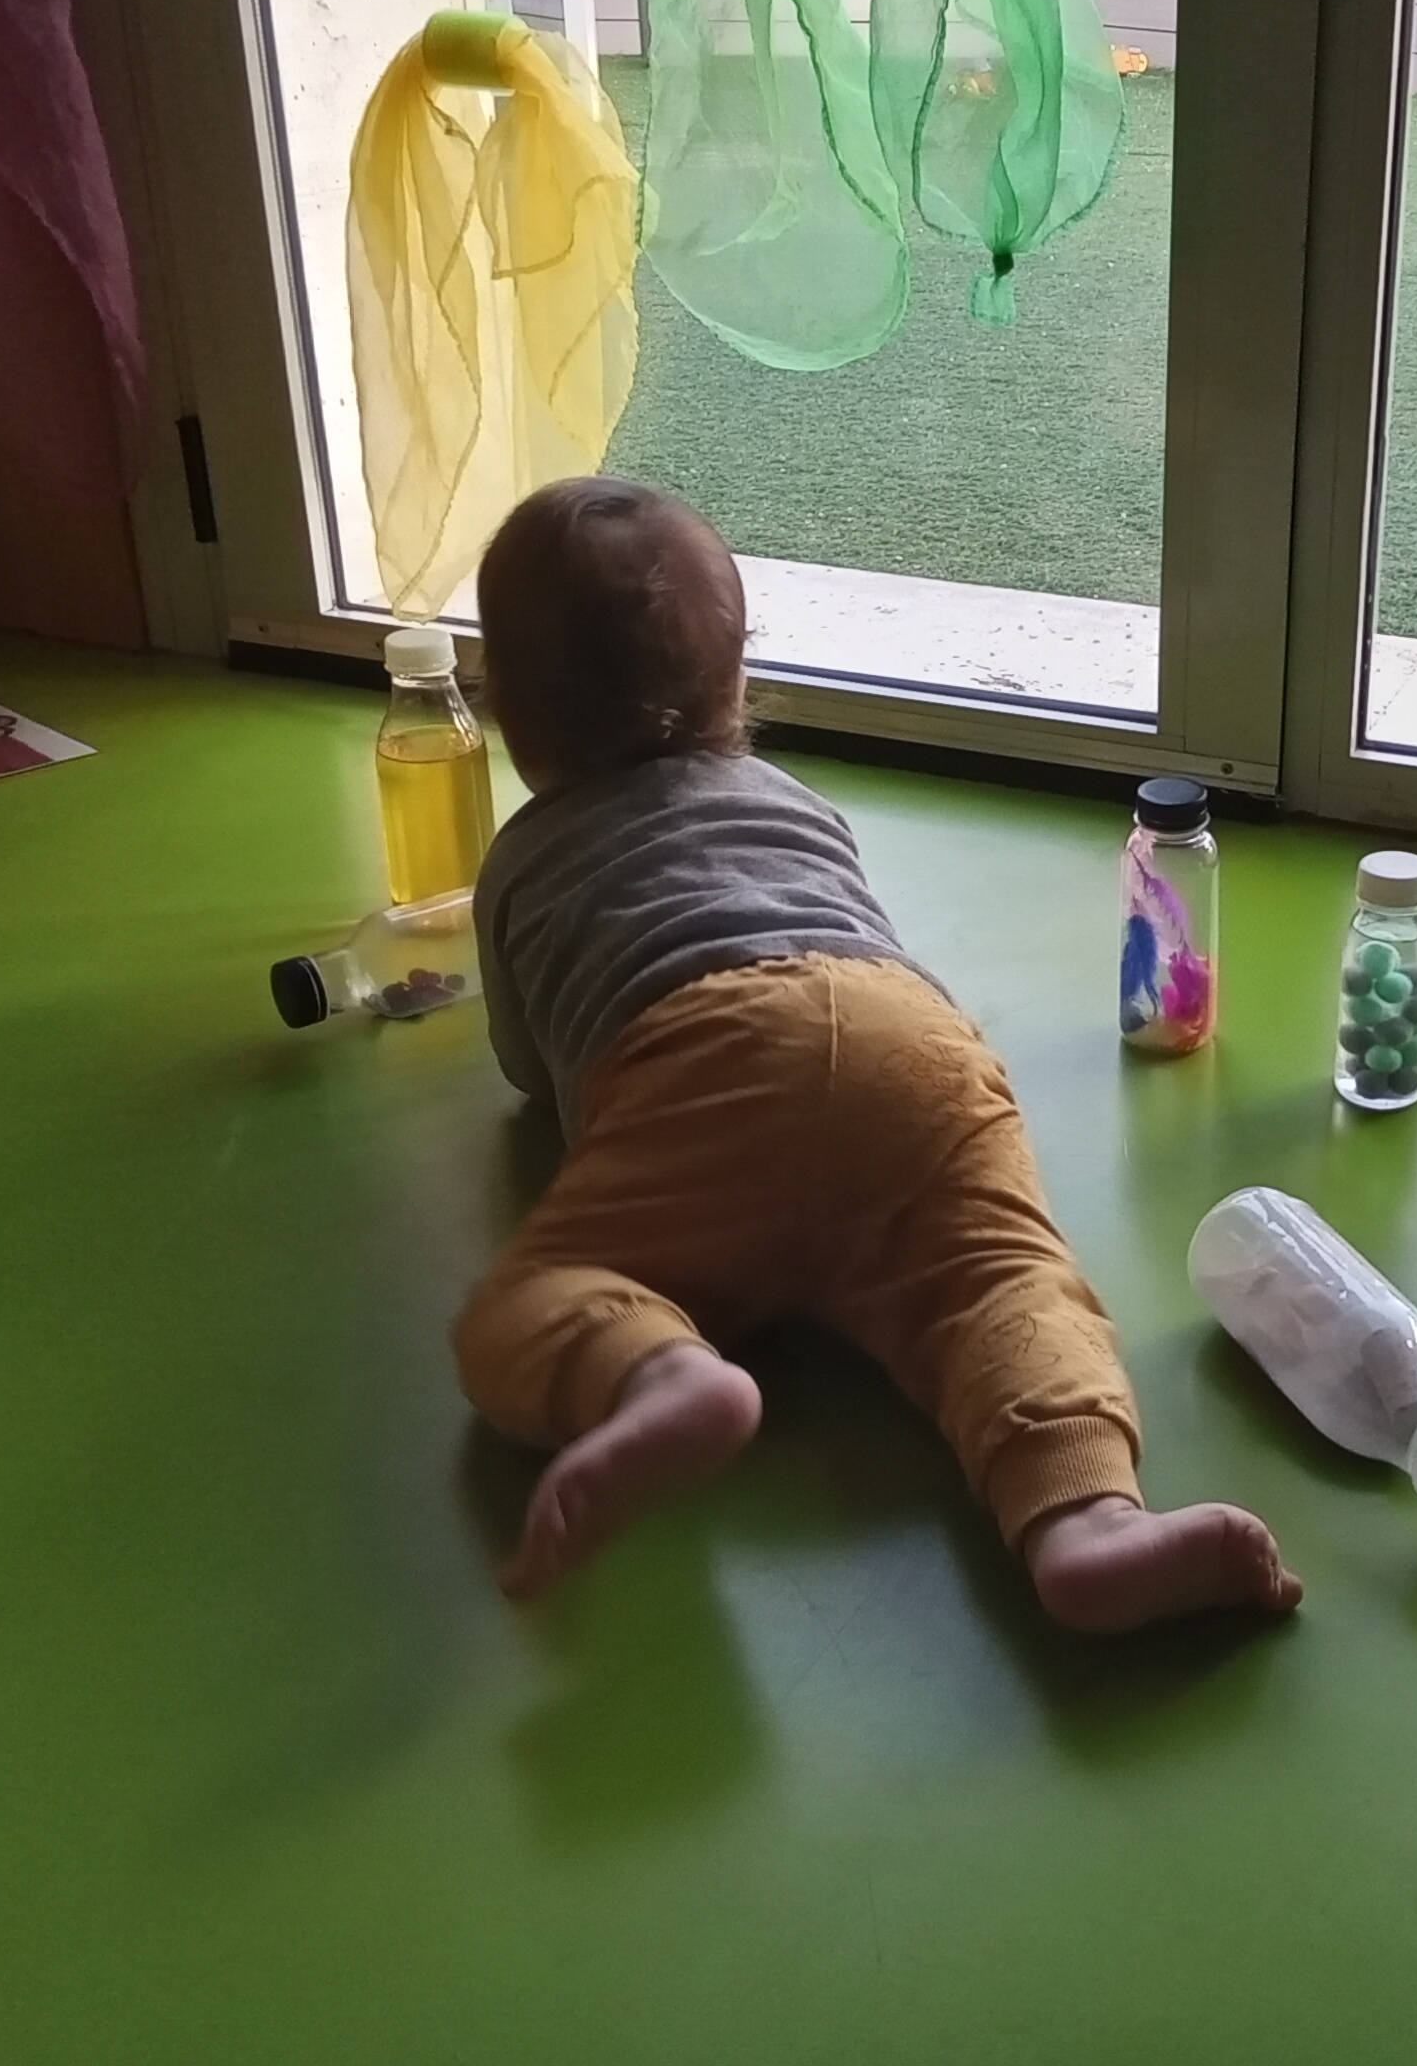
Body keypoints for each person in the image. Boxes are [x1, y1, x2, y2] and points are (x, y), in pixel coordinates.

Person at [453, 478, 1302, 1633]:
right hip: (904, 1041)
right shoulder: (796, 803)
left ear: (505, 707)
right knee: (1002, 1284)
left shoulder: (520, 861)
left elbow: (525, 1068)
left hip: (685, 1054)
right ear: (736, 684)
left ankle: (661, 1373)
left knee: (526, 1303)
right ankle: (1085, 1519)